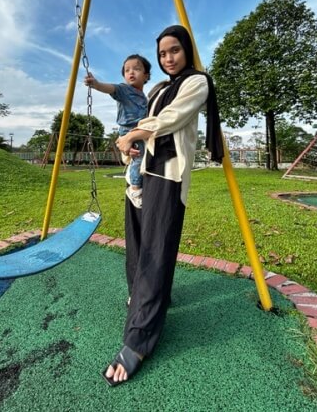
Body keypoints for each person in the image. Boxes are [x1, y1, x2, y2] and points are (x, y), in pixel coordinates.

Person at [102, 25, 224, 386]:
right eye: (163, 53)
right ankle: (144, 297)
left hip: (168, 175)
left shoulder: (196, 82)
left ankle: (138, 340)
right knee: (137, 244)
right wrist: (125, 144)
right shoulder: (155, 89)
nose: (168, 58)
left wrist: (137, 133)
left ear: (186, 50)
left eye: (174, 50)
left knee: (155, 250)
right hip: (143, 171)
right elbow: (140, 123)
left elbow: (171, 119)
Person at [84, 55, 151, 208]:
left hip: (139, 130)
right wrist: (96, 84)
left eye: (136, 69)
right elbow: (110, 88)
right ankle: (134, 189)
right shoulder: (124, 89)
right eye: (127, 70)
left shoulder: (144, 98)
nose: (131, 72)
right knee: (139, 159)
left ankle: (135, 175)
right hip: (128, 130)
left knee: (141, 157)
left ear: (146, 76)